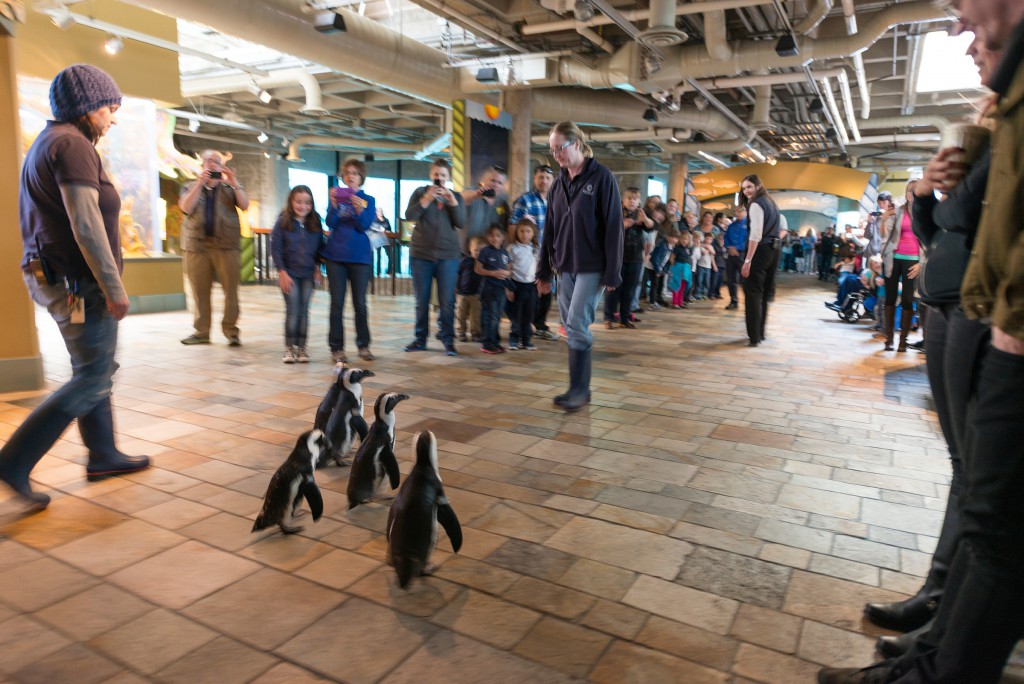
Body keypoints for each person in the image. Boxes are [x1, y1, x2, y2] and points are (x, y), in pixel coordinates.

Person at [818, 2, 1024, 680]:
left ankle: (940, 644)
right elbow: (943, 232)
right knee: (973, 487)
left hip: (990, 318)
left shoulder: (1000, 129)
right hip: (961, 304)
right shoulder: (993, 127)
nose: (961, 34)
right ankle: (937, 622)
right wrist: (927, 194)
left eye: (965, 11)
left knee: (991, 514)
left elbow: (972, 227)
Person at [1, 64, 150, 510]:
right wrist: (113, 286)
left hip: (59, 279)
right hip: (78, 284)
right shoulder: (71, 145)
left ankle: (103, 454)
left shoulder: (52, 141)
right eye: (109, 108)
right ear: (86, 108)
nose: (113, 118)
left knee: (94, 368)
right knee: (92, 377)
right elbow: (86, 225)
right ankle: (12, 463)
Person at [537, 121, 623, 412]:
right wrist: (544, 271)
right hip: (565, 265)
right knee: (571, 326)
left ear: (576, 144)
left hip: (592, 266)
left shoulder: (602, 178)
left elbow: (614, 228)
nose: (556, 155)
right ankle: (579, 389)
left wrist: (613, 271)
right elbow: (550, 228)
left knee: (575, 323)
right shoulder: (559, 183)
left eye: (559, 148)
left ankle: (579, 389)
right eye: (552, 150)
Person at [179, 149, 248, 346]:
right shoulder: (189, 186)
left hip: (226, 246)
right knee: (199, 291)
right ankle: (201, 332)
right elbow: (185, 207)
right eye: (207, 161)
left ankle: (231, 331)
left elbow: (244, 205)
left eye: (216, 161)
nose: (211, 164)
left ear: (221, 166)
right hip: (196, 247)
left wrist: (234, 183)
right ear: (202, 166)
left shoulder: (230, 188)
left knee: (231, 292)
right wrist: (200, 183)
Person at [404, 159, 466, 356]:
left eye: (443, 175)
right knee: (421, 300)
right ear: (431, 175)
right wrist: (427, 198)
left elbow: (462, 223)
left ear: (448, 178)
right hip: (421, 255)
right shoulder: (419, 192)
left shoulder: (455, 196)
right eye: (436, 175)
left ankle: (448, 340)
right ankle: (420, 339)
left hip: (448, 256)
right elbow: (410, 215)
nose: (439, 178)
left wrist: (452, 202)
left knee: (447, 301)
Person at [322, 159, 377, 363]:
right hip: (336, 256)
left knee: (360, 304)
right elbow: (330, 222)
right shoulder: (337, 196)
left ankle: (363, 346)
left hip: (360, 257)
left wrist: (359, 209)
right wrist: (334, 205)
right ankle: (336, 348)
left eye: (355, 172)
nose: (351, 175)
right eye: (347, 172)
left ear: (361, 177)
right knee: (337, 303)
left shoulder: (368, 199)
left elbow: (363, 226)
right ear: (343, 177)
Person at [270, 185, 324, 364]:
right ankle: (289, 348)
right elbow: (276, 248)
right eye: (299, 202)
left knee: (304, 312)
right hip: (289, 273)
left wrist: (318, 268)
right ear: (291, 202)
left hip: (308, 274)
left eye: (307, 203)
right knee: (292, 311)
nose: (303, 206)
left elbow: (319, 248)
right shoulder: (282, 221)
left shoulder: (315, 221)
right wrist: (282, 272)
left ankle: (302, 348)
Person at [510, 164, 557, 341]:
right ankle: (525, 327)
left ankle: (540, 325)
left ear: (552, 181)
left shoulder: (555, 200)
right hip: (531, 254)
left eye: (547, 178)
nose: (544, 181)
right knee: (531, 291)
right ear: (535, 179)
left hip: (551, 253)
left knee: (548, 290)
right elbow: (513, 226)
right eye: (540, 177)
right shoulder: (526, 200)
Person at [739, 174, 783, 347]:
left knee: (753, 294)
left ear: (758, 186)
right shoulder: (771, 201)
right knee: (764, 294)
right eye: (744, 188)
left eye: (749, 186)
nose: (747, 191)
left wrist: (748, 260)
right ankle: (760, 333)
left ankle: (754, 336)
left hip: (761, 250)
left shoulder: (756, 204)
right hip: (774, 250)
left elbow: (755, 234)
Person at [880, 181, 921, 352]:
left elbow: (927, 241)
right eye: (908, 190)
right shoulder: (898, 211)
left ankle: (903, 341)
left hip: (913, 261)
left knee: (908, 300)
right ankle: (889, 339)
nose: (910, 193)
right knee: (889, 298)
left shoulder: (923, 214)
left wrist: (921, 263)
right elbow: (885, 235)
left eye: (913, 191)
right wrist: (883, 220)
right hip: (894, 258)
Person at [605, 188, 651, 327]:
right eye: (629, 198)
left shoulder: (640, 214)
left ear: (639, 201)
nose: (632, 201)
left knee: (629, 290)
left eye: (635, 199)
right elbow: (607, 230)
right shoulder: (616, 212)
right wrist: (622, 225)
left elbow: (651, 227)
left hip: (635, 257)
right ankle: (609, 318)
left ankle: (625, 318)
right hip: (617, 257)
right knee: (614, 288)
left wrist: (646, 219)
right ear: (624, 200)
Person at [476, 224, 512, 354]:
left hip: (501, 289)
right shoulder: (485, 251)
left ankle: (495, 342)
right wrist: (493, 273)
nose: (495, 238)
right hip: (488, 289)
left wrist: (506, 274)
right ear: (487, 236)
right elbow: (478, 269)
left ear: (503, 237)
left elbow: (509, 270)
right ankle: (487, 343)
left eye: (498, 235)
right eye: (491, 235)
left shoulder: (505, 253)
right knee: (489, 316)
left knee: (497, 316)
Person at [507, 217, 540, 350]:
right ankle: (514, 339)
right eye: (521, 231)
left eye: (528, 231)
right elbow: (508, 269)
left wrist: (539, 283)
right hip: (516, 285)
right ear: (517, 232)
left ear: (533, 234)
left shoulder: (536, 249)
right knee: (516, 315)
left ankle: (526, 340)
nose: (525, 234)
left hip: (531, 286)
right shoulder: (512, 248)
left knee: (529, 314)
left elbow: (538, 267)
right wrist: (508, 288)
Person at [461, 165, 509, 255]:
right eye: (493, 180)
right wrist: (476, 194)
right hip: (467, 254)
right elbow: (462, 197)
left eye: (500, 183)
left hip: (490, 256)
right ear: (484, 180)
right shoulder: (473, 192)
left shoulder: (503, 203)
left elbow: (505, 231)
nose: (496, 185)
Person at [456, 236, 484, 343]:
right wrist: (456, 287)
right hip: (462, 293)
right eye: (476, 250)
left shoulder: (483, 264)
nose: (478, 253)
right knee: (460, 314)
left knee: (475, 316)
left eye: (481, 251)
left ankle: (475, 333)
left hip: (476, 294)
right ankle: (461, 332)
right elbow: (458, 274)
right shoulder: (464, 261)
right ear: (470, 249)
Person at [724, 206, 748, 310]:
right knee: (731, 279)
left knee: (745, 279)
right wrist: (729, 247)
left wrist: (737, 248)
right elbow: (726, 237)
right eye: (736, 211)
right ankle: (733, 301)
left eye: (740, 211)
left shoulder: (750, 225)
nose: (737, 213)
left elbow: (749, 240)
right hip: (731, 254)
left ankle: (749, 301)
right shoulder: (731, 225)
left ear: (746, 211)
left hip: (743, 254)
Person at [863, 191, 895, 260]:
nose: (881, 205)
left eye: (884, 203)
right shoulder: (875, 217)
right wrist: (869, 222)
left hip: (886, 253)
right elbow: (867, 236)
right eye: (879, 203)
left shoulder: (893, 217)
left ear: (889, 203)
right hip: (872, 254)